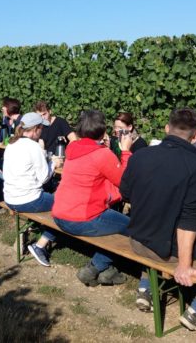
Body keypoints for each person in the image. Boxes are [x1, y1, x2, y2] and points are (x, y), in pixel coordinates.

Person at [121, 107, 196, 332]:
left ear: (167, 128)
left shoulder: (141, 155)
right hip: (162, 249)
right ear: (195, 135)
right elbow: (189, 218)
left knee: (161, 222)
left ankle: (146, 288)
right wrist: (184, 266)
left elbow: (125, 193)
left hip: (136, 239)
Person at [52, 110, 134, 286]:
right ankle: (96, 267)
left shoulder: (72, 148)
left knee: (115, 222)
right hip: (81, 218)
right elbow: (124, 182)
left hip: (59, 214)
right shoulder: (102, 154)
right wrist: (125, 151)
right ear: (103, 132)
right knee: (132, 227)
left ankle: (108, 271)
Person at [3, 112, 62, 267]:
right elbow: (44, 178)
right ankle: (40, 245)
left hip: (10, 197)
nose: (42, 130)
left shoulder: (11, 143)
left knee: (52, 199)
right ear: (35, 129)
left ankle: (26, 234)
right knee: (66, 207)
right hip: (28, 200)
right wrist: (54, 164)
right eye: (41, 127)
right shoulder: (33, 147)